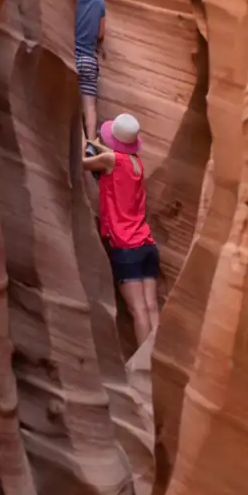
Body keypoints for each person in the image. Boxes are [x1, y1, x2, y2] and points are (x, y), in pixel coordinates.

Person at [84, 113, 159, 345]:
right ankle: (155, 360)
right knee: (151, 307)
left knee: (138, 311)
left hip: (126, 247)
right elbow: (114, 159)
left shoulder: (111, 160)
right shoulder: (137, 163)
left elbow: (81, 163)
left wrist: (86, 142)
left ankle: (143, 363)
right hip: (146, 244)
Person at [75, 0, 107, 142]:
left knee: (68, 105)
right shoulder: (99, 2)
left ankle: (75, 145)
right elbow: (101, 34)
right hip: (88, 58)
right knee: (89, 107)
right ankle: (91, 144)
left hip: (70, 55)